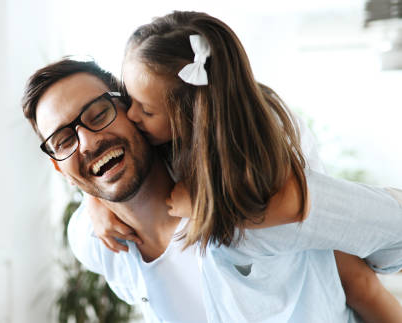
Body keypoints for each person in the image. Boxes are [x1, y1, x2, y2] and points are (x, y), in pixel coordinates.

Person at [83, 11, 402, 322]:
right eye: (128, 98)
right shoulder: (169, 142)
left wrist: (210, 207)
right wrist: (94, 199)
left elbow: (358, 239)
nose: (131, 116)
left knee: (358, 283)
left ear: (192, 116)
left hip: (319, 262)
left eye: (147, 111)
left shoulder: (269, 166)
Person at [22, 58, 364, 322]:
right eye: (64, 140)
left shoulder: (244, 197)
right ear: (59, 168)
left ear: (133, 110)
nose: (87, 142)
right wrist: (91, 195)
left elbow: (357, 273)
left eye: (98, 114)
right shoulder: (93, 243)